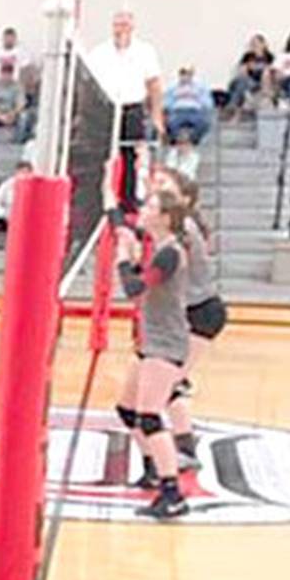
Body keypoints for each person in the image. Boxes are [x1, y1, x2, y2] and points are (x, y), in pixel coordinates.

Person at [111, 183, 193, 519]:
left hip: (166, 344)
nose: (142, 211)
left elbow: (133, 289)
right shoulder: (160, 247)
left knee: (149, 417)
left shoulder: (170, 254)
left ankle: (172, 493)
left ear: (165, 217)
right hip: (152, 341)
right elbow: (119, 222)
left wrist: (123, 258)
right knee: (127, 410)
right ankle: (153, 469)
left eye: (149, 207)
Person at [155, 165, 226, 473]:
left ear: (183, 199)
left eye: (166, 190)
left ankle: (185, 449)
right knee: (170, 379)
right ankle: (182, 446)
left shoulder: (185, 229)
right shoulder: (174, 226)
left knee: (171, 382)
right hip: (187, 312)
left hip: (202, 311)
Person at [87, 8, 164, 211]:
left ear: (132, 27)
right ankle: (99, 197)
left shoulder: (145, 51)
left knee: (130, 155)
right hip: (106, 108)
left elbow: (154, 84)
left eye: (125, 25)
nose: (120, 29)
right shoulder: (99, 52)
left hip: (132, 107)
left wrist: (157, 115)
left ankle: (127, 199)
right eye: (117, 25)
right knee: (100, 155)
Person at [0, 158, 31, 249]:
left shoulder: (33, 188)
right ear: (16, 173)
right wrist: (4, 214)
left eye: (26, 173)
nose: (24, 176)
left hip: (25, 219)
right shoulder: (7, 185)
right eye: (21, 172)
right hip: (7, 218)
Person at [0, 25, 35, 98]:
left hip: (14, 86)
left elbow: (27, 70)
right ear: (3, 39)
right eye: (7, 38)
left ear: (15, 39)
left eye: (11, 38)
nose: (9, 40)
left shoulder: (21, 52)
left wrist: (30, 86)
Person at [228, 32, 275, 118]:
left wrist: (261, 69)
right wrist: (247, 68)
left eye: (257, 43)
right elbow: (241, 70)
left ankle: (232, 108)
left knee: (242, 83)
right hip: (248, 82)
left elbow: (272, 70)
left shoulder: (269, 57)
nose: (254, 45)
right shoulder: (247, 56)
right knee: (241, 81)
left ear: (263, 44)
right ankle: (233, 108)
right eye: (253, 43)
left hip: (260, 84)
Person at [0, 60, 31, 143]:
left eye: (9, 73)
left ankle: (17, 142)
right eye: (4, 73)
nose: (6, 76)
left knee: (24, 118)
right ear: (1, 73)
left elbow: (21, 104)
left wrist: (12, 113)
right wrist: (0, 116)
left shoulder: (17, 86)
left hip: (12, 113)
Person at [165, 65, 214, 144]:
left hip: (194, 112)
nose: (185, 76)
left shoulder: (200, 86)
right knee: (170, 124)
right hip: (178, 112)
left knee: (204, 124)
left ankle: (193, 141)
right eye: (183, 73)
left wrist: (204, 109)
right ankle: (177, 142)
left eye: (188, 74)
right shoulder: (173, 87)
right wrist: (168, 111)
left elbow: (207, 102)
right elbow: (167, 102)